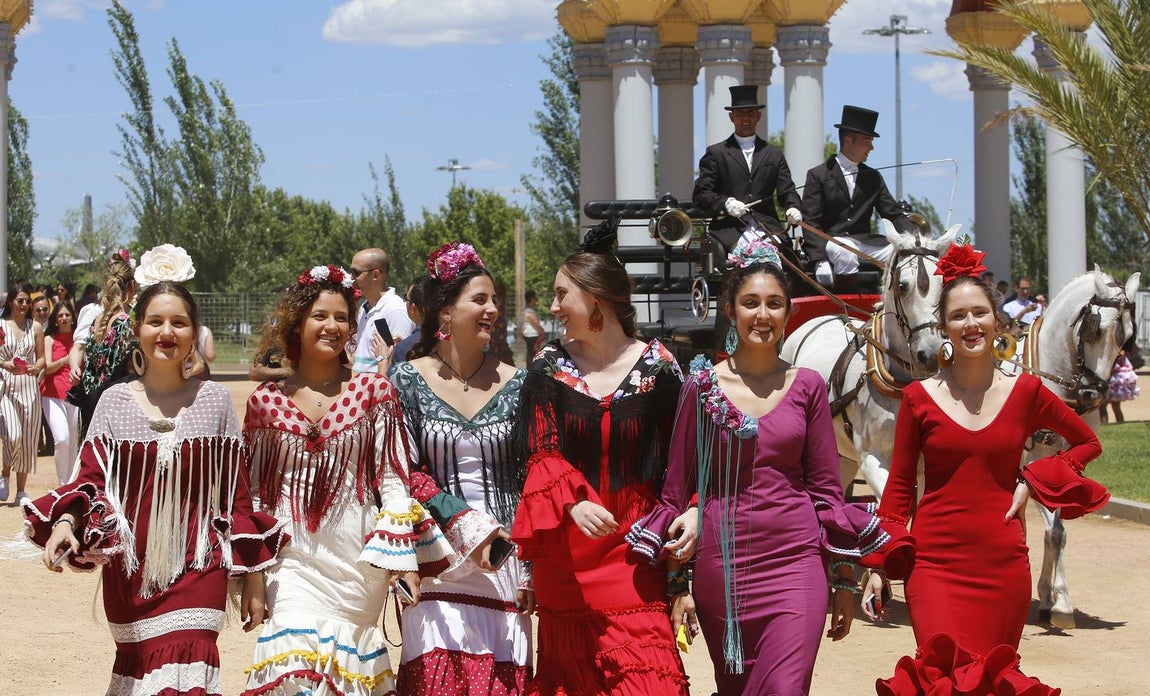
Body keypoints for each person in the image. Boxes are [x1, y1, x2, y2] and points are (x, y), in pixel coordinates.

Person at [241, 263, 503, 696]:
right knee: (291, 669)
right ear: (297, 322)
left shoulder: (373, 393)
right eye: (319, 316)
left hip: (359, 562)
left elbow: (394, 480)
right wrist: (253, 572)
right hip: (292, 559)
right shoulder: (265, 403)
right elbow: (252, 496)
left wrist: (400, 561)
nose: (331, 326)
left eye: (342, 317)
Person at [652, 236, 891, 695]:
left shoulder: (809, 387)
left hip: (795, 565)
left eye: (775, 304)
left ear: (787, 313)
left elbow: (827, 494)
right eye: (751, 303)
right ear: (730, 310)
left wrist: (843, 577)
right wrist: (677, 583)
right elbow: (674, 494)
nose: (763, 315)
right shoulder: (700, 386)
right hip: (721, 571)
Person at [865, 244, 1108, 695]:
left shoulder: (1028, 391)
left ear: (997, 320)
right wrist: (879, 565)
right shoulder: (919, 398)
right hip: (933, 564)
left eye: (980, 312)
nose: (970, 324)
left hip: (1002, 565)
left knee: (989, 684)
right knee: (941, 678)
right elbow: (899, 489)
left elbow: (1087, 442)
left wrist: (1033, 481)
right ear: (943, 327)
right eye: (958, 316)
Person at [24, 279, 286, 696]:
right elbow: (91, 478)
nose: (167, 332)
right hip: (132, 573)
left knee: (189, 677)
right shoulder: (113, 401)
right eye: (156, 321)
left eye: (179, 322)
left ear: (194, 332)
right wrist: (66, 523)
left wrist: (253, 578)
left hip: (200, 566)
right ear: (137, 331)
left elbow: (235, 495)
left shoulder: (215, 401)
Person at [511, 221, 692, 695]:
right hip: (567, 562)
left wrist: (681, 562)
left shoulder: (660, 366)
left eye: (560, 295)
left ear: (595, 298)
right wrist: (572, 501)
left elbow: (682, 460)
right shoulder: (548, 366)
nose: (552, 307)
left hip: (636, 555)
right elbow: (539, 451)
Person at [390, 242, 532, 693]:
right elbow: (401, 471)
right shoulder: (407, 380)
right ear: (445, 312)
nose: (492, 309)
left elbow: (532, 476)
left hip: (505, 561)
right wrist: (463, 524)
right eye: (480, 299)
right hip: (436, 560)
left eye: (495, 301)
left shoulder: (520, 384)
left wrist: (532, 567)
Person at [800, 105, 911, 293]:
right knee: (845, 251)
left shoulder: (873, 177)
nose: (872, 147)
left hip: (864, 241)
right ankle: (845, 305)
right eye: (867, 141)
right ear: (848, 140)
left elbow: (893, 214)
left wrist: (917, 240)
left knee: (902, 253)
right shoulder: (818, 175)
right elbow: (810, 221)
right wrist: (819, 259)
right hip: (832, 242)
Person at [693, 84, 803, 252]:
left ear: (758, 116)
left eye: (750, 113)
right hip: (729, 229)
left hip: (768, 228)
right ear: (732, 117)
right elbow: (701, 195)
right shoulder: (716, 153)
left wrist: (793, 207)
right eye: (740, 114)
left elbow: (787, 191)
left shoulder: (773, 153)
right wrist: (726, 204)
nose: (745, 119)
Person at [69, 250, 138, 436]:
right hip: (117, 405)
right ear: (132, 285)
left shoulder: (97, 320)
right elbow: (130, 368)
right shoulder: (126, 322)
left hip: (91, 401)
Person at [1, 282, 46, 504]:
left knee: (28, 439)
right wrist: (4, 363)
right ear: (11, 302)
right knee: (13, 434)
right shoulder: (0, 324)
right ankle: (5, 474)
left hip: (29, 385)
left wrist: (36, 367)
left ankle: (21, 491)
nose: (25, 305)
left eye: (27, 301)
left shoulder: (35, 326)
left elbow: (41, 358)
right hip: (6, 385)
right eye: (20, 300)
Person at [350, 247, 417, 374]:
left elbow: (400, 363)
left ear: (376, 274)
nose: (351, 278)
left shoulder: (395, 310)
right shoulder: (365, 307)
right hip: (360, 389)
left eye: (356, 273)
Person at [41, 301, 80, 485]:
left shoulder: (80, 339)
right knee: (62, 439)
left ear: (73, 318)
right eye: (60, 316)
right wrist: (65, 360)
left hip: (75, 395)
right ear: (55, 320)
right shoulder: (49, 339)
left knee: (73, 443)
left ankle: (71, 484)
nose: (64, 318)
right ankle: (63, 483)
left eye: (67, 315)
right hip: (52, 395)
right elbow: (47, 367)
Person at [1101, 349, 1140, 424]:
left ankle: (1107, 424)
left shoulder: (1119, 348)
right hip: (1113, 377)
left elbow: (1121, 355)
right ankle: (1115, 424)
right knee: (1107, 406)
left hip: (1114, 378)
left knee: (1108, 406)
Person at [391, 279, 425, 365]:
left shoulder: (402, 350)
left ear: (413, 308)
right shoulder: (447, 337)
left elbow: (392, 378)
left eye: (406, 298)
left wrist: (383, 357)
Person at [520, 290, 546, 362]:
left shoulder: (527, 310)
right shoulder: (529, 312)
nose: (536, 301)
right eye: (535, 298)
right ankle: (531, 370)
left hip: (529, 335)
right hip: (531, 335)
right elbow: (535, 323)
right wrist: (542, 332)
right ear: (531, 299)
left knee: (531, 353)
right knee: (533, 353)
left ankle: (530, 369)